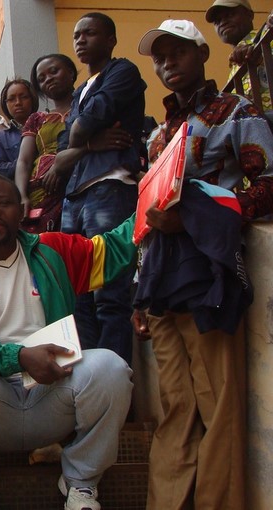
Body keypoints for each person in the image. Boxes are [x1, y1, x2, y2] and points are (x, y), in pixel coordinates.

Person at [0, 174, 136, 510]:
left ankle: (81, 482)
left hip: (54, 391)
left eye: (3, 203)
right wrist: (20, 357)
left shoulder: (51, 250)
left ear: (22, 210)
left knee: (111, 367)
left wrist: (154, 201)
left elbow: (112, 250)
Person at [135, 19, 273, 509]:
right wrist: (138, 289)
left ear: (202, 54)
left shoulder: (235, 111)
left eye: (178, 52)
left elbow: (268, 183)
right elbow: (147, 216)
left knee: (218, 404)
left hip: (207, 271)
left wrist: (195, 217)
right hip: (160, 278)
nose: (167, 63)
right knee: (175, 405)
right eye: (159, 57)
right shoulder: (157, 135)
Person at [51, 12, 146, 366]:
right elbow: (63, 152)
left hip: (111, 185)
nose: (80, 40)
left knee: (110, 293)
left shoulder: (123, 72)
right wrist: (90, 144)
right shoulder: (80, 91)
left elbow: (78, 129)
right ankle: (88, 376)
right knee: (76, 294)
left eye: (89, 33)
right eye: (76, 35)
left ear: (110, 39)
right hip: (76, 196)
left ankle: (114, 377)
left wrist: (80, 137)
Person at [14, 54, 78, 234]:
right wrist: (22, 195)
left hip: (78, 184)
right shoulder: (37, 119)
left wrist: (60, 167)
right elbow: (24, 161)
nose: (48, 79)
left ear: (71, 72)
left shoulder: (87, 108)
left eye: (54, 71)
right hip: (40, 192)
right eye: (41, 79)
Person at [206, 0, 272, 115]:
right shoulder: (233, 69)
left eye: (230, 15)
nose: (223, 22)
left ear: (249, 15)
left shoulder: (267, 38)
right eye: (217, 21)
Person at [0, 78, 38, 179]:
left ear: (32, 99)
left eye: (24, 97)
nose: (18, 102)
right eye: (11, 99)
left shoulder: (46, 124)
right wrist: (27, 161)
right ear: (5, 104)